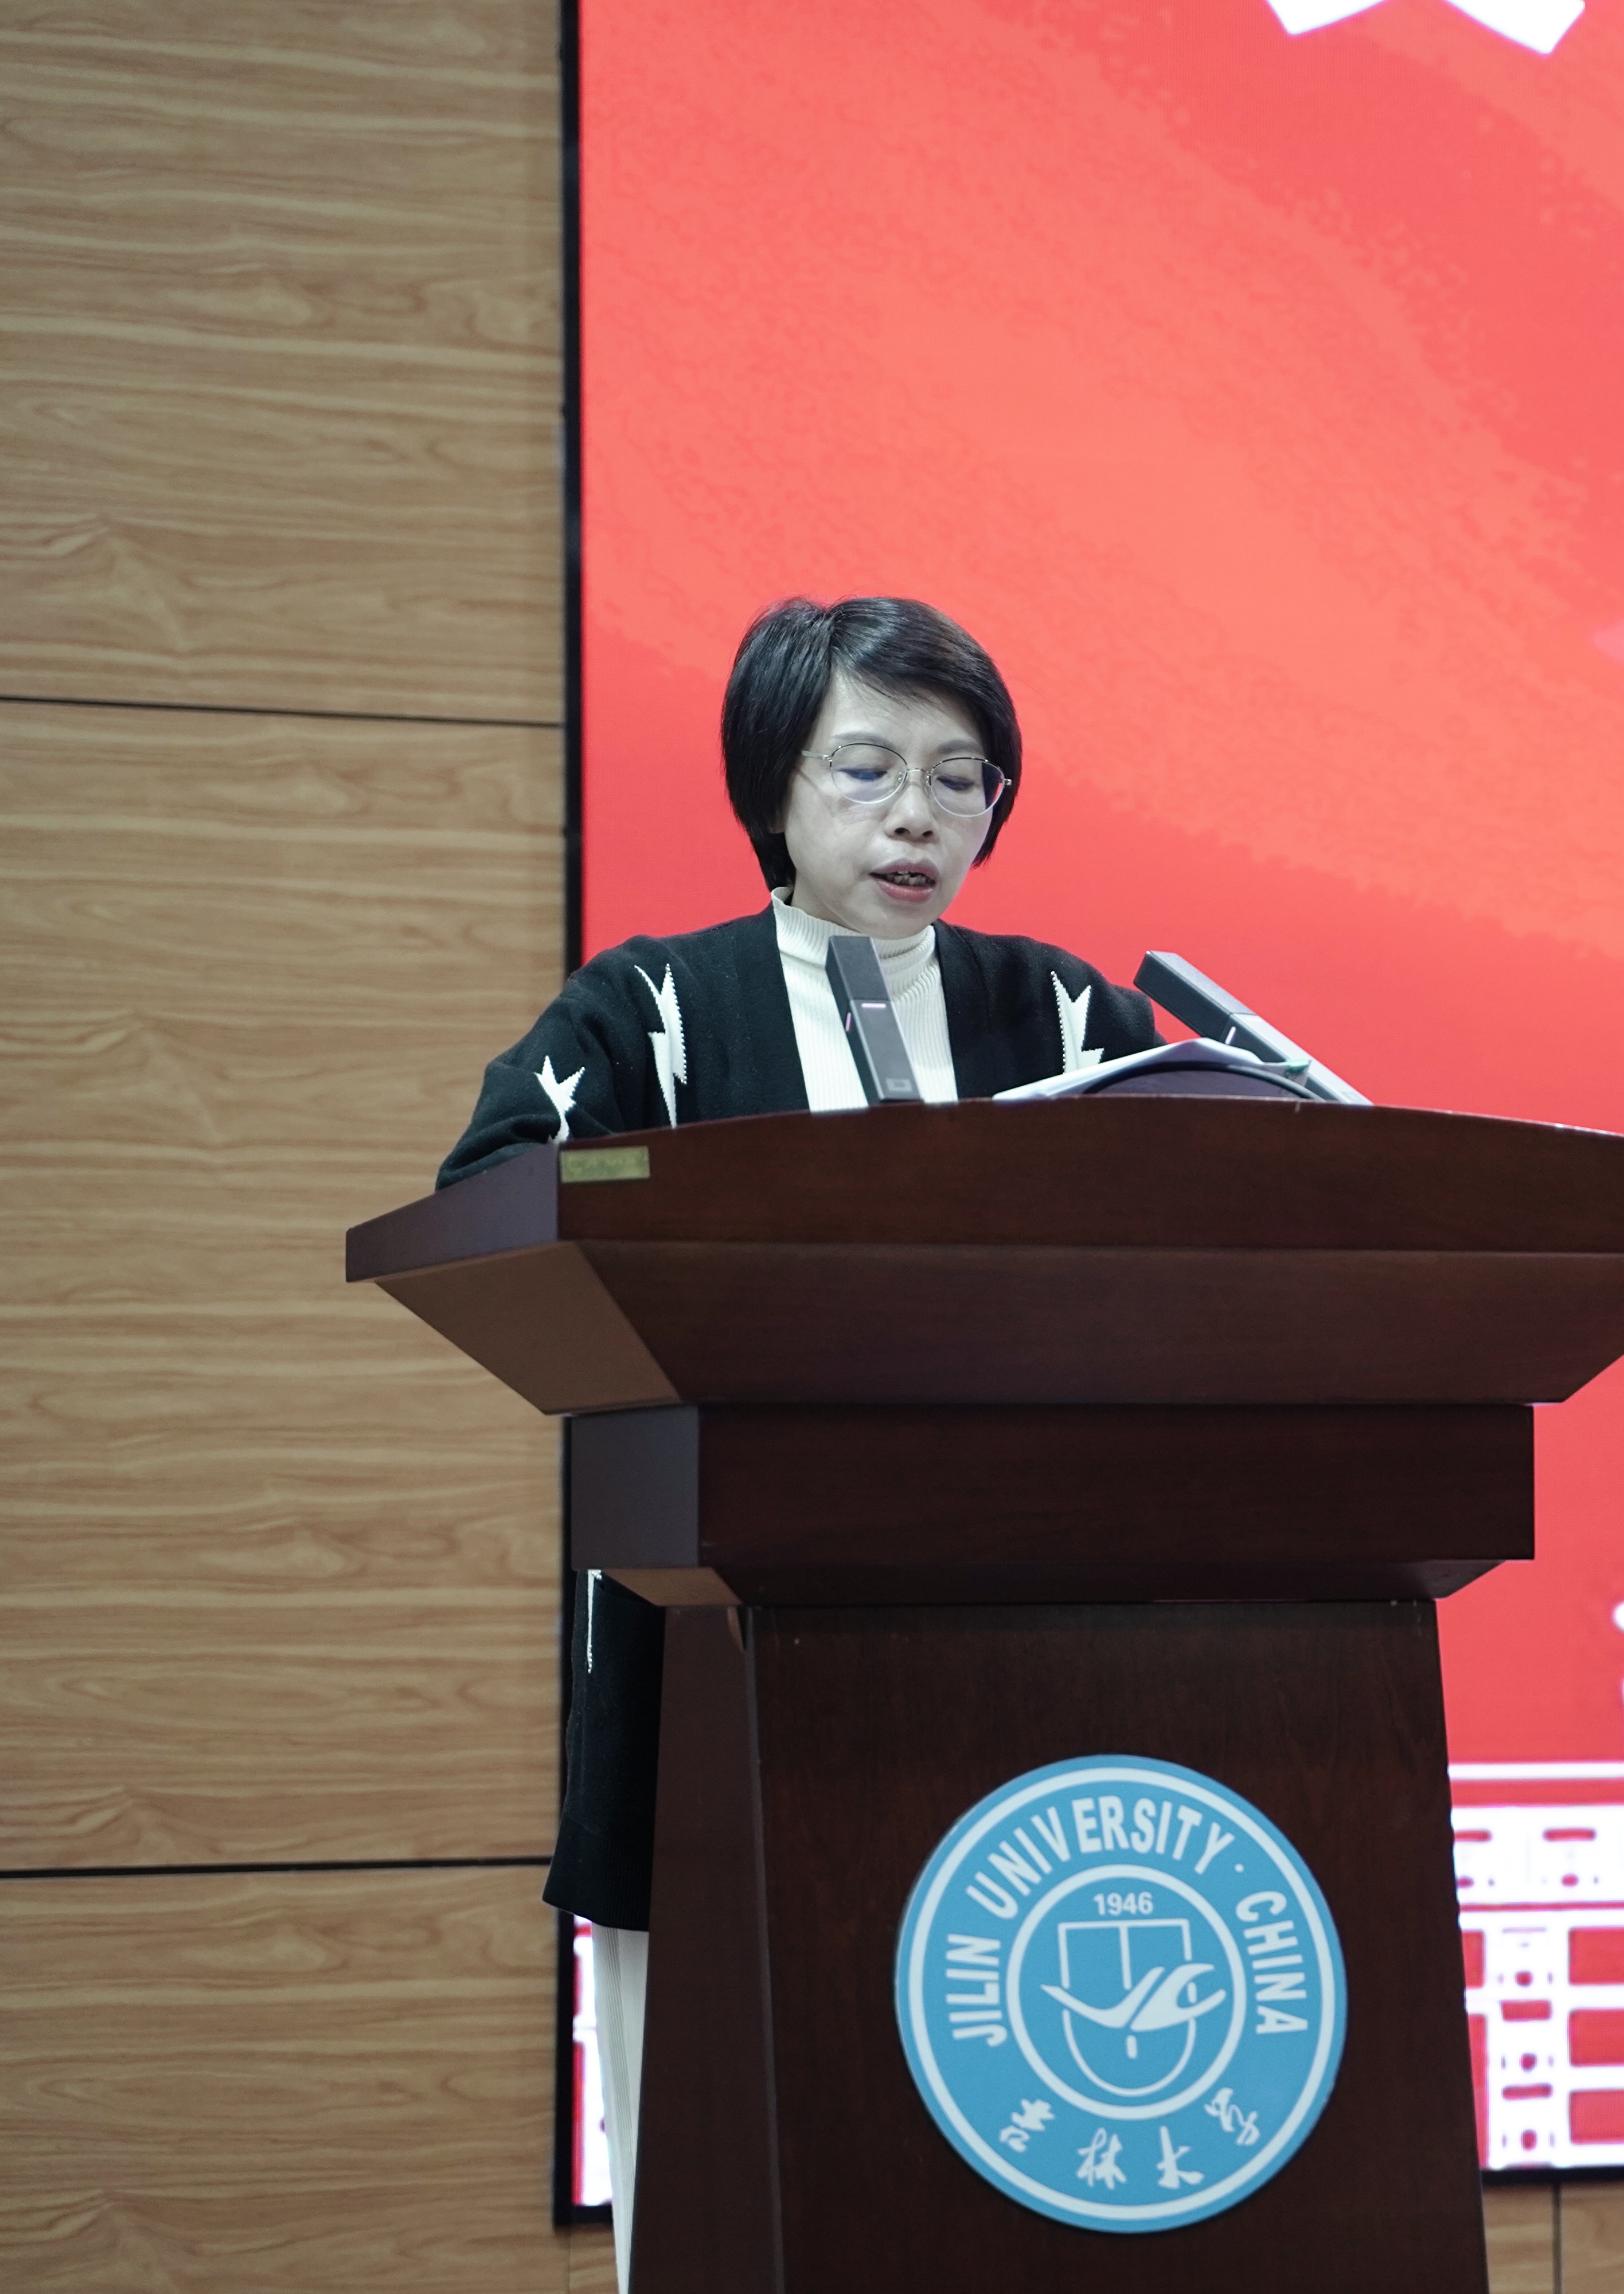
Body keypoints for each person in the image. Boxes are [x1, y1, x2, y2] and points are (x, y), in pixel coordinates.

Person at [436, 596, 1162, 2280]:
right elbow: (495, 1213)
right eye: (868, 768)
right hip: (709, 1664)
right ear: (774, 784)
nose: (918, 816)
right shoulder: (651, 1012)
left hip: (1022, 1671)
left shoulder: (1064, 1020)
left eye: (960, 779)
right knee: (721, 2184)